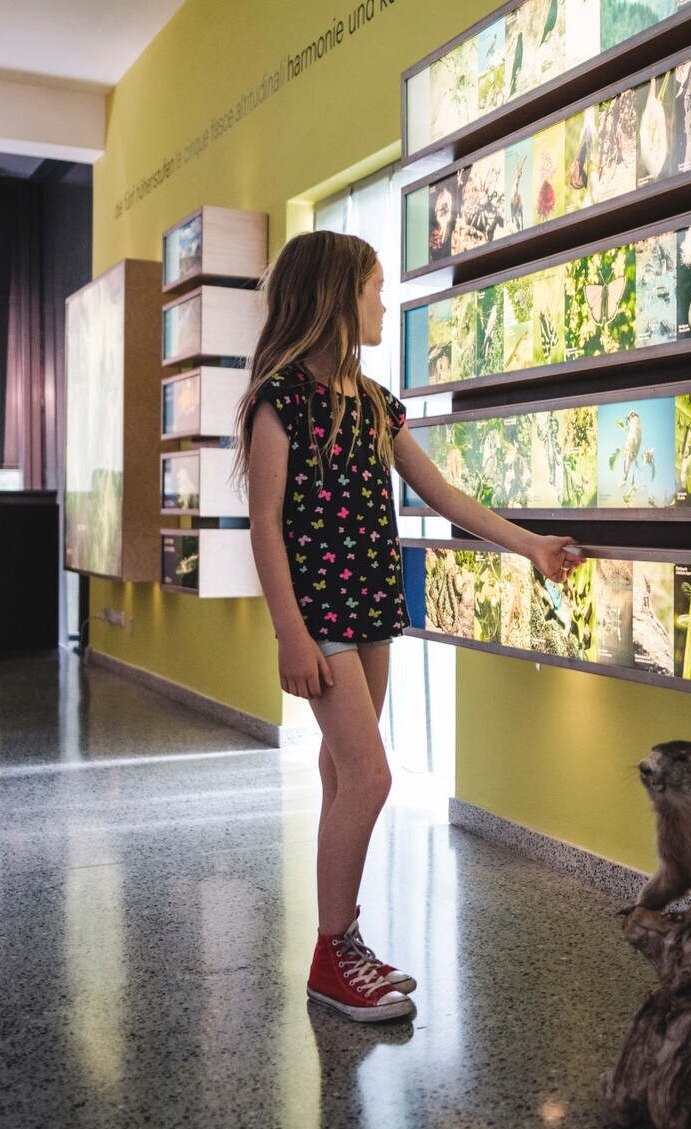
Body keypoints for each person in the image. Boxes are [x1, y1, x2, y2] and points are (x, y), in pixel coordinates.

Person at [235, 231, 580, 1022]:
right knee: (370, 775)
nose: (382, 302)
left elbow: (444, 496)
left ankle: (344, 938)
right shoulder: (279, 401)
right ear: (333, 297)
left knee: (340, 772)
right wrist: (289, 634)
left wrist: (528, 546)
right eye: (374, 288)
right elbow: (263, 525)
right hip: (319, 615)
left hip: (372, 609)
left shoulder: (376, 403)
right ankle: (331, 958)